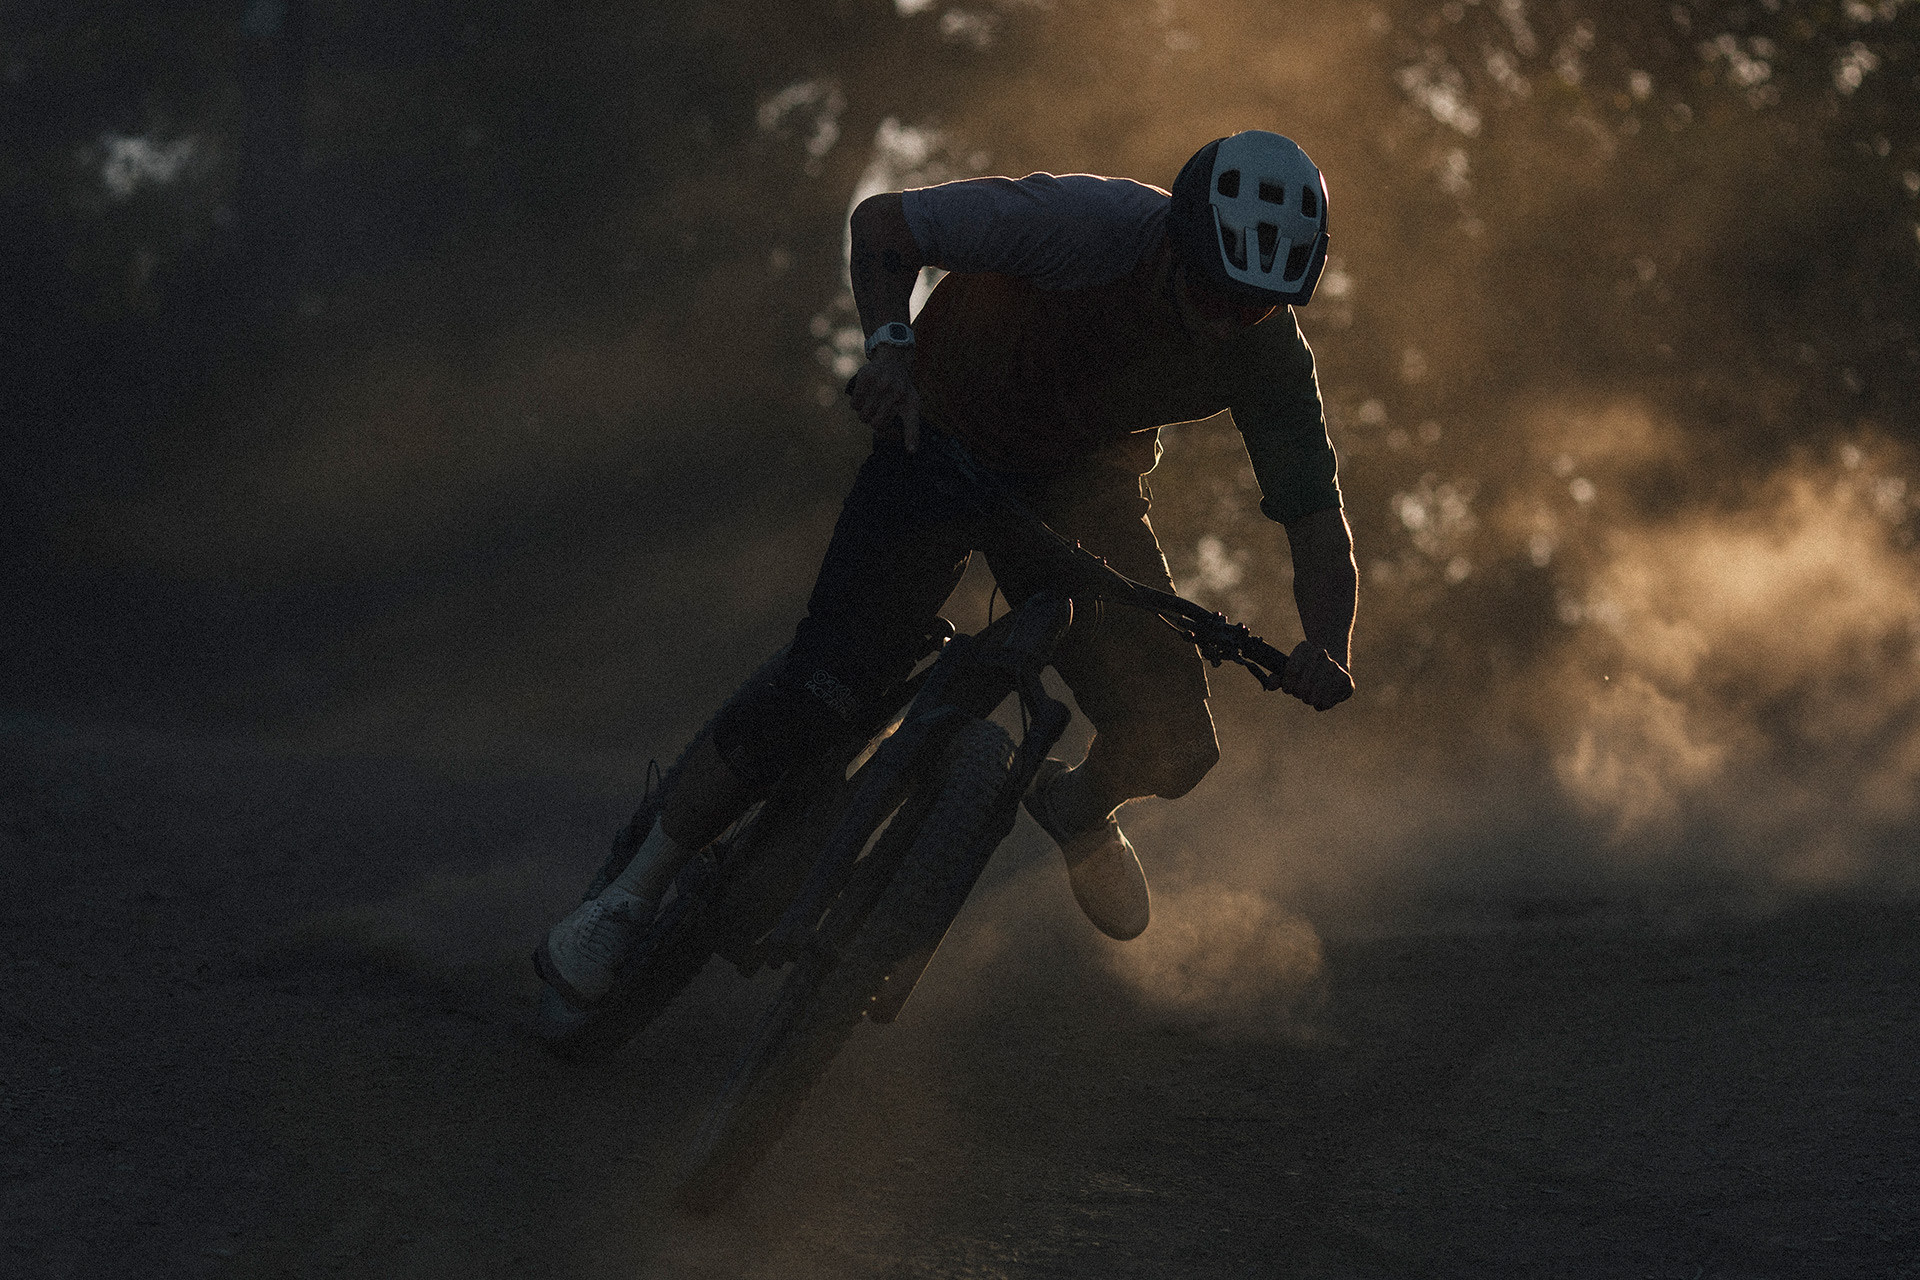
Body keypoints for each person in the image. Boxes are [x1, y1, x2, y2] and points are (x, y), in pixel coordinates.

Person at [536, 130, 1357, 1008]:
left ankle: (1077, 812)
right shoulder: (1087, 226)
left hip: (1077, 489)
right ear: (1176, 245)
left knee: (1177, 740)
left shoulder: (1269, 353)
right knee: (826, 682)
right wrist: (890, 354)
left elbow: (1315, 515)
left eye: (1255, 309)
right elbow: (885, 226)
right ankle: (630, 894)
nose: (1226, 321)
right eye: (1214, 293)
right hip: (937, 437)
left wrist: (1326, 643)